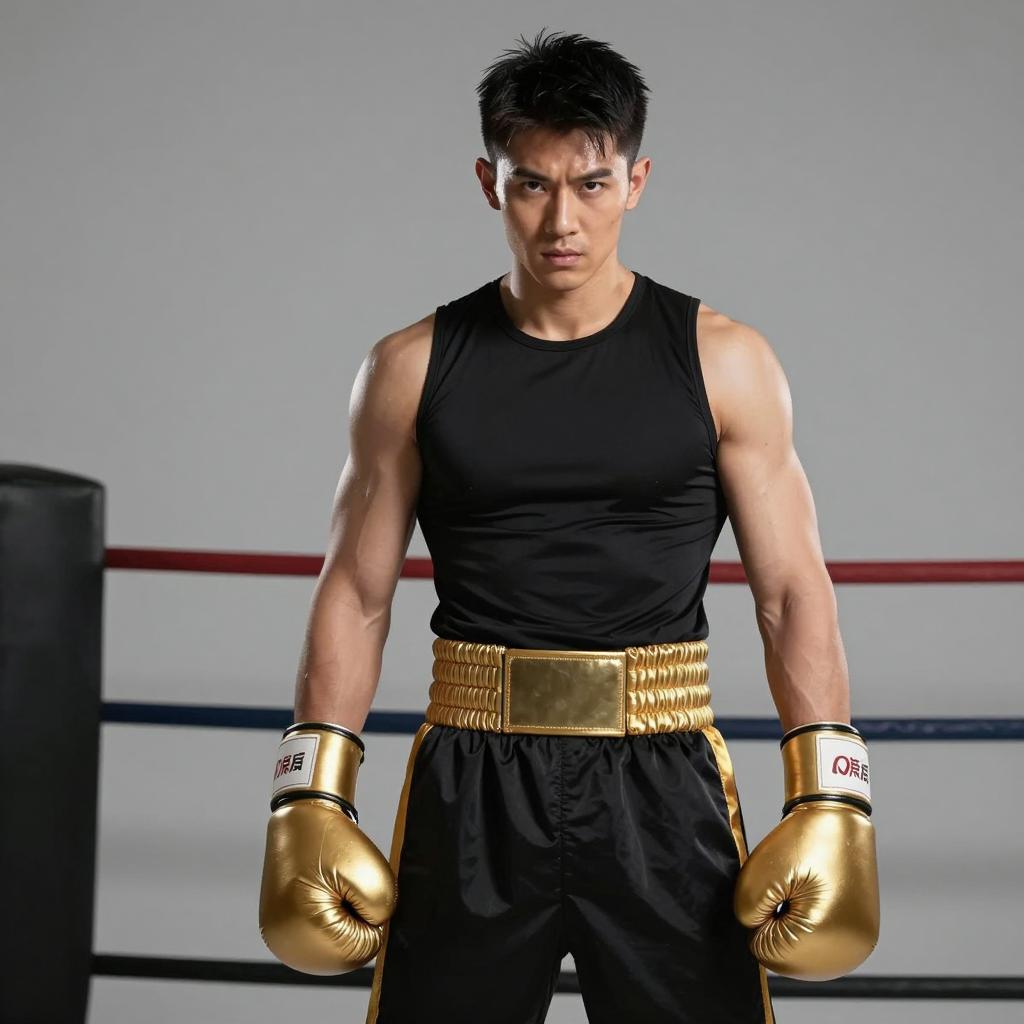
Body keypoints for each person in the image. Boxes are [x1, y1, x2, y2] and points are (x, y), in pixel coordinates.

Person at [257, 28, 879, 1024]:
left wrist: (831, 795)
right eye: (529, 184)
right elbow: (357, 590)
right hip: (471, 775)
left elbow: (790, 591)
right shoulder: (411, 366)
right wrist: (310, 792)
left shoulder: (725, 359)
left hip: (661, 775)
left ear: (636, 181)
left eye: (589, 185)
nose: (561, 219)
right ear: (486, 182)